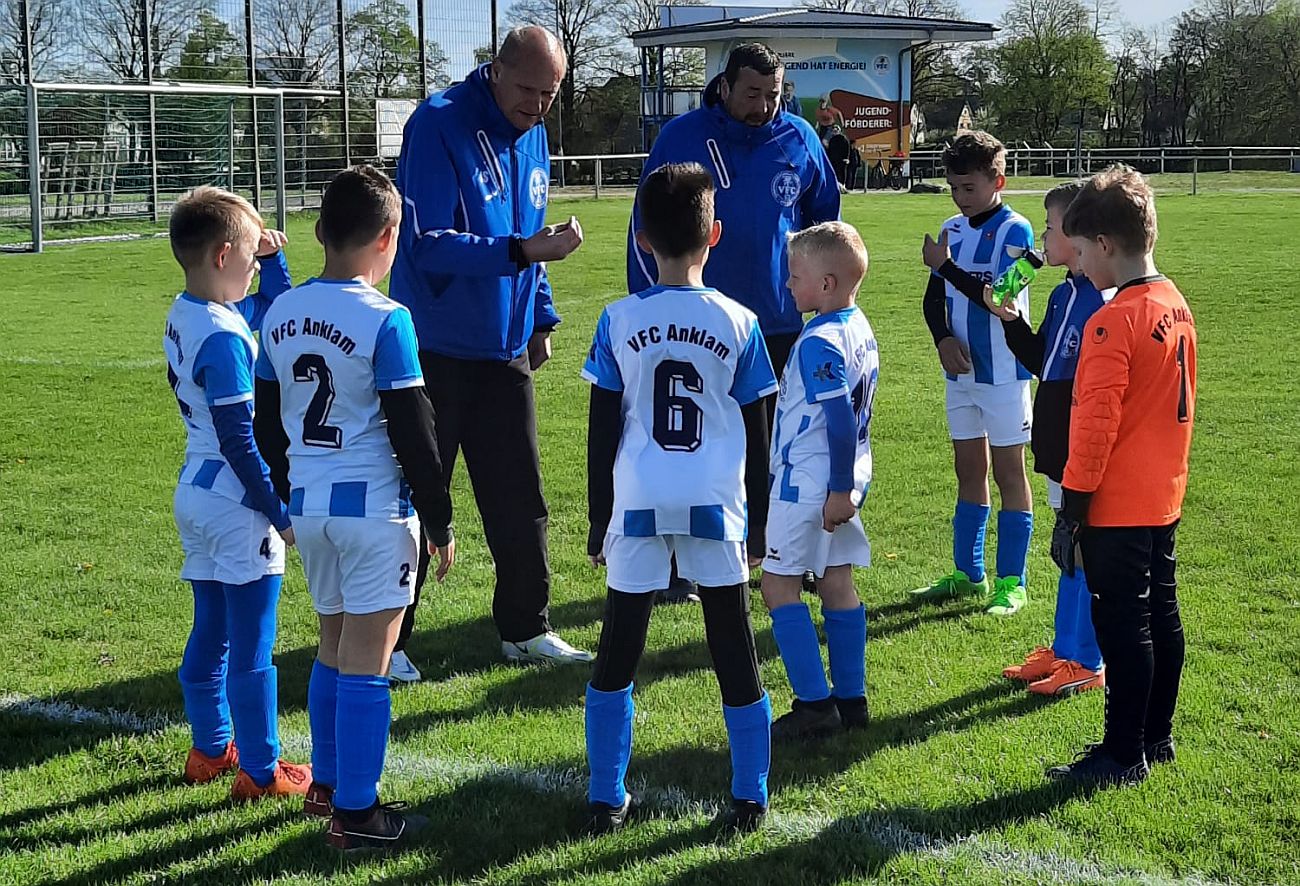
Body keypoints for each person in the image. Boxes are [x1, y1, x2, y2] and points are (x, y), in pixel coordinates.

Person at [254, 165, 456, 848]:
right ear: (388, 238)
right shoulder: (386, 317)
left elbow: (264, 423)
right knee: (370, 656)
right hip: (372, 506)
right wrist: (439, 515)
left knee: (334, 644)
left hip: (308, 506)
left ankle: (330, 787)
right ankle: (361, 815)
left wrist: (287, 491)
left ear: (317, 233)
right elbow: (412, 424)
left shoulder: (275, 311)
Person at [389, 25, 591, 667]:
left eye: (551, 94)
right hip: (434, 347)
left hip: (504, 346)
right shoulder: (438, 123)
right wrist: (522, 252)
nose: (537, 106)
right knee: (421, 496)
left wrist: (541, 316)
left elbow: (531, 229)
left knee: (520, 496)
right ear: (495, 69)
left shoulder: (534, 136)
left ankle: (525, 627)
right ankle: (390, 641)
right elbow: (425, 240)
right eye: (528, 89)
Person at [584, 162, 777, 835]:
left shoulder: (616, 320)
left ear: (641, 239)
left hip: (637, 499)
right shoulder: (741, 322)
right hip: (714, 502)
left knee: (619, 644)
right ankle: (750, 795)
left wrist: (596, 517)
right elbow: (759, 434)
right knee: (732, 644)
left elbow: (602, 426)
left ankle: (606, 796)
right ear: (714, 234)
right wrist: (760, 522)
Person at [627, 41, 840, 602]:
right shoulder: (682, 137)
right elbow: (643, 222)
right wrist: (652, 301)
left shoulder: (800, 138)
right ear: (724, 87)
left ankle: (783, 554)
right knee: (695, 446)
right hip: (701, 325)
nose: (764, 105)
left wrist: (821, 295)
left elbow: (825, 225)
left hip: (777, 323)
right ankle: (679, 568)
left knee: (788, 447)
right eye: (752, 93)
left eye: (773, 94)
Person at [1047, 165, 1196, 786]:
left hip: (1117, 501)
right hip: (1163, 493)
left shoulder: (1112, 320)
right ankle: (1154, 737)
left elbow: (1095, 425)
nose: (1077, 264)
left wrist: (1072, 508)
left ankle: (1121, 751)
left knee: (1123, 624)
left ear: (1105, 245)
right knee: (1162, 613)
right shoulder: (1174, 303)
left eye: (1080, 251)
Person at [162, 186, 310, 801]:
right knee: (252, 645)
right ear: (223, 254)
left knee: (211, 630)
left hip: (196, 493)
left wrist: (273, 259)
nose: (257, 262)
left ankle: (209, 746)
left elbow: (274, 308)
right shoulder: (224, 341)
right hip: (234, 500)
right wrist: (278, 511)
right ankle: (260, 768)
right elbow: (240, 443)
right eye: (251, 253)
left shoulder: (189, 310)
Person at [985, 182, 1113, 697]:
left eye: (1050, 228)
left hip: (1079, 437)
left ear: (1080, 236)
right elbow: (1042, 364)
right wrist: (1013, 321)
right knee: (1067, 546)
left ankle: (1087, 657)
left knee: (1083, 545)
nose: (1042, 236)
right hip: (1056, 436)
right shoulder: (1063, 294)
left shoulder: (1100, 301)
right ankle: (1064, 649)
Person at [910, 131, 1036, 617]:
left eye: (969, 187)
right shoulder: (952, 229)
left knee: (1009, 473)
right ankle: (968, 574)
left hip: (1004, 373)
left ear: (997, 181)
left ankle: (1013, 582)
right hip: (960, 373)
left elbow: (1000, 296)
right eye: (953, 188)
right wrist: (942, 338)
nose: (960, 197)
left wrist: (945, 267)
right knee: (968, 469)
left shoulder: (1019, 232)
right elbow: (932, 297)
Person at [761, 222, 876, 740]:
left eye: (796, 275)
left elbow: (839, 421)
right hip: (840, 478)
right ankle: (852, 699)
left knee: (777, 585)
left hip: (808, 483)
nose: (788, 284)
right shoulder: (858, 326)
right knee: (836, 582)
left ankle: (814, 704)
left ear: (826, 285)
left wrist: (834, 490)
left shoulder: (819, 342)